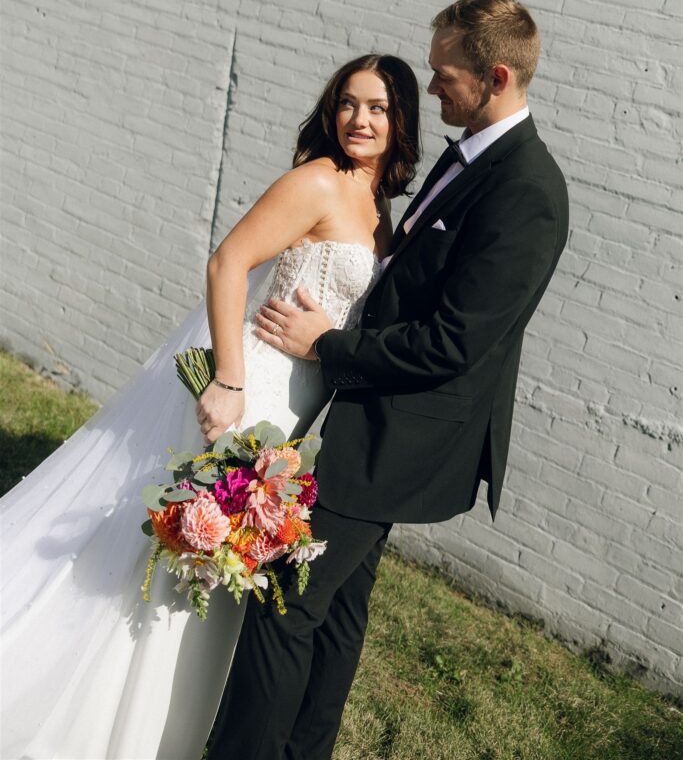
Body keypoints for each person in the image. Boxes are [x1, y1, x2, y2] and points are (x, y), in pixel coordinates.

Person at [0, 53, 420, 760]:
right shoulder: (317, 180)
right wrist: (226, 379)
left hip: (300, 413)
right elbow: (229, 262)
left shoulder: (379, 207)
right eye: (348, 103)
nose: (359, 119)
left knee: (225, 560)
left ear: (400, 119)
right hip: (255, 386)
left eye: (377, 107)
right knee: (175, 545)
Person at [204, 0, 570, 760]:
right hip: (365, 416)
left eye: (443, 76)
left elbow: (452, 345)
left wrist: (325, 345)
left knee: (285, 605)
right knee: (335, 612)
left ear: (494, 76)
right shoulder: (469, 151)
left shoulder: (524, 191)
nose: (429, 89)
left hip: (401, 434)